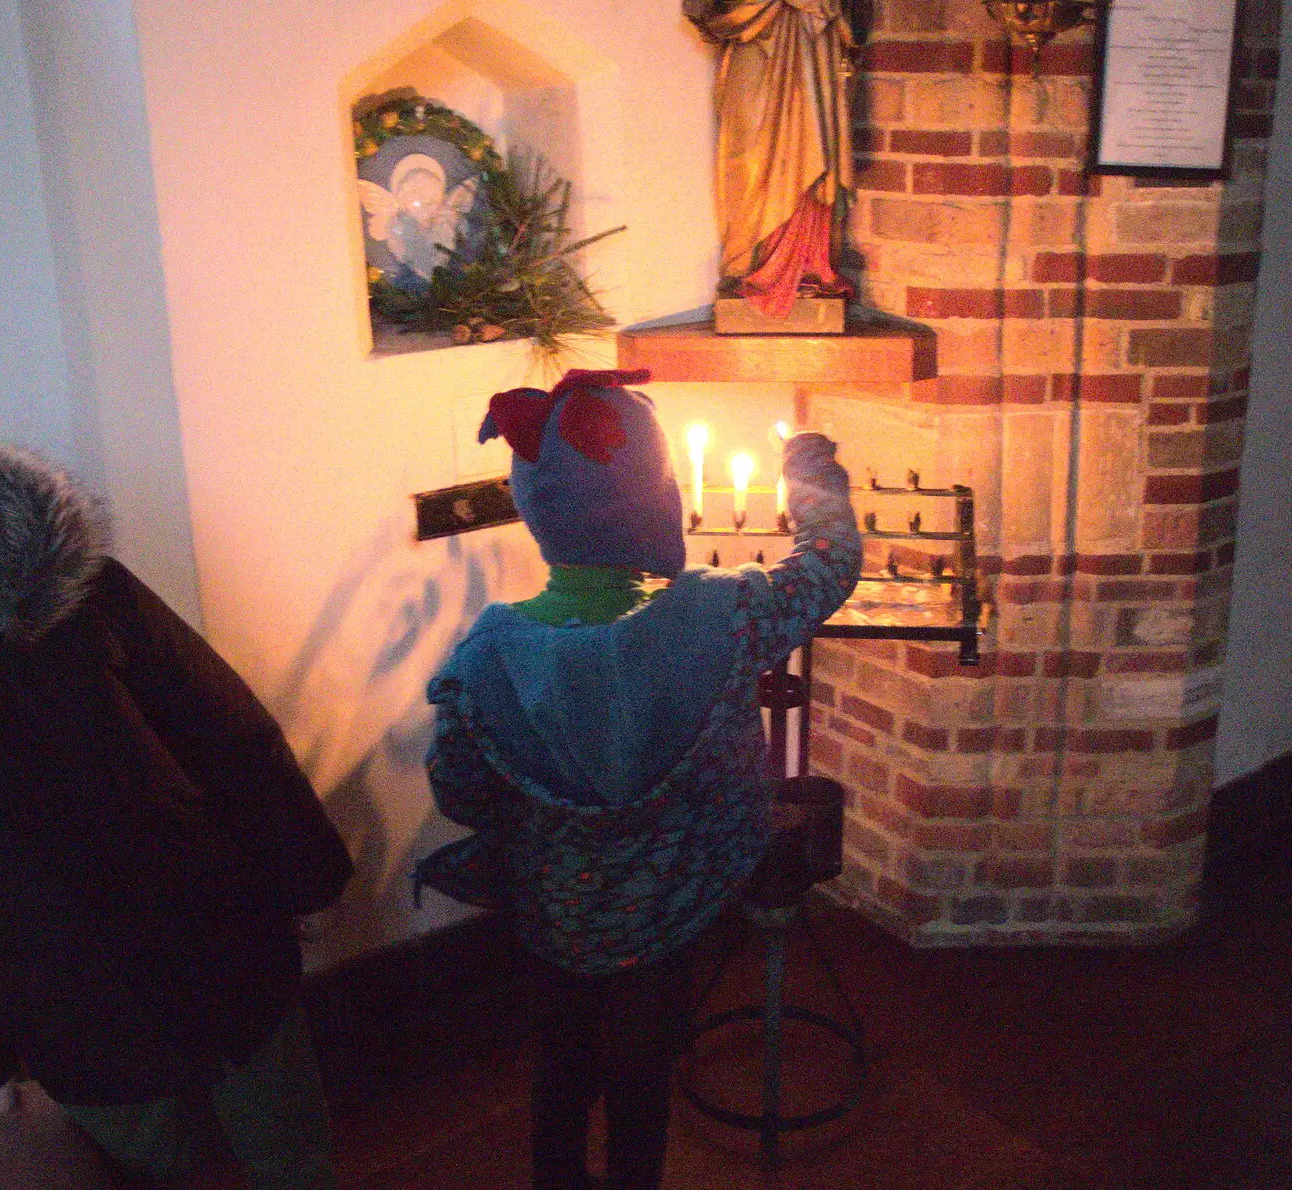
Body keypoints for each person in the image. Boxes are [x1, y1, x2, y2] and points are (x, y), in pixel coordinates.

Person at [416, 368, 861, 1190]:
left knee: (559, 1067)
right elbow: (829, 566)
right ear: (654, 507)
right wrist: (807, 465)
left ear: (538, 512)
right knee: (641, 1079)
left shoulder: (485, 658)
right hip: (669, 916)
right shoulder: (723, 616)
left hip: (555, 918)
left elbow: (459, 789)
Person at [0, 438, 354, 1188]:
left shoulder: (86, 595)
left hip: (205, 942)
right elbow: (234, 738)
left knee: (283, 1150)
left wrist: (303, 877)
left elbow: (229, 738)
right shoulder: (85, 595)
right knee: (170, 1164)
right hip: (78, 999)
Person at [683, 0, 862, 319]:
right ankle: (750, 264)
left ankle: (809, 265)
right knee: (749, 155)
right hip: (751, 34)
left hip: (812, 34)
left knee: (811, 140)